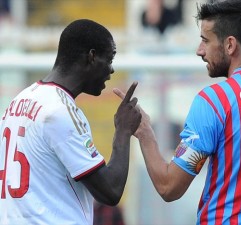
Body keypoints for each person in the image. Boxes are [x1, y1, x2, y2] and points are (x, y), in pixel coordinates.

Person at [114, 0, 241, 224]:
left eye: (205, 40)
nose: (199, 50)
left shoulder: (214, 101)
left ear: (230, 45)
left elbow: (169, 186)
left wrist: (145, 132)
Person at [0, 19, 141, 224]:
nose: (111, 70)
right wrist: (123, 130)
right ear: (92, 57)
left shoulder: (19, 101)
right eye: (109, 59)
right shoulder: (59, 110)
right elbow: (110, 191)